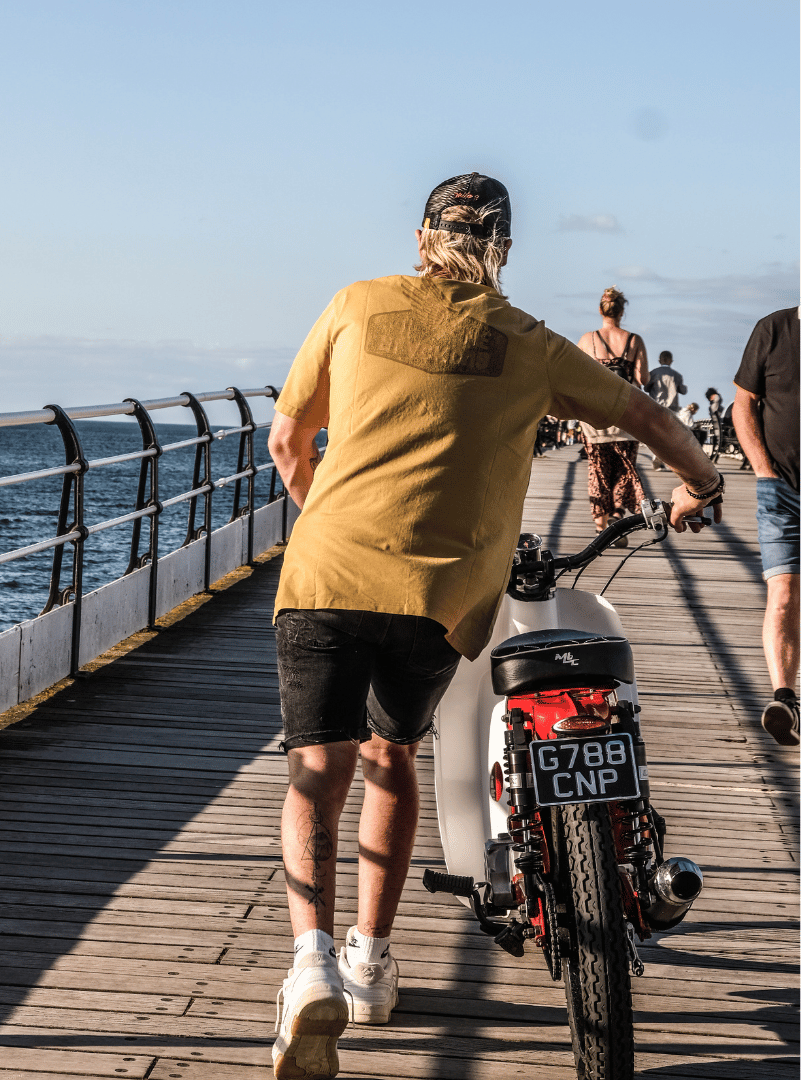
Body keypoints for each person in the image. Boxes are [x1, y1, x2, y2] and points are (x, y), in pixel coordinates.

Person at [266, 172, 724, 1080]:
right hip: (438, 600)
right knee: (392, 758)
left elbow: (288, 443)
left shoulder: (355, 305)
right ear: (502, 250)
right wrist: (702, 488)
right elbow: (651, 419)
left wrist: (328, 522)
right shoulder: (531, 343)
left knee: (317, 772)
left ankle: (310, 961)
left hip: (323, 577)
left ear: (421, 234)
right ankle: (370, 957)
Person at [732, 307, 800, 746]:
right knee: (785, 593)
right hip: (781, 491)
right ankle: (784, 699)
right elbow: (743, 405)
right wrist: (763, 471)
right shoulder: (773, 330)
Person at [576, 288, 651, 544]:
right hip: (627, 419)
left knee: (598, 471)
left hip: (595, 419)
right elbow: (643, 379)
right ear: (622, 310)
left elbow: (577, 378)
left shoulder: (588, 340)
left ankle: (600, 529)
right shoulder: (634, 340)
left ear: (601, 309)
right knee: (624, 470)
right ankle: (618, 515)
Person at [647, 351, 688, 468]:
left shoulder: (653, 373)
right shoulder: (677, 375)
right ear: (671, 361)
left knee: (656, 434)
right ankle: (661, 459)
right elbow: (683, 391)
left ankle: (657, 458)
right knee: (668, 436)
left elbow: (646, 387)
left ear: (660, 360)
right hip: (672, 409)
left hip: (656, 407)